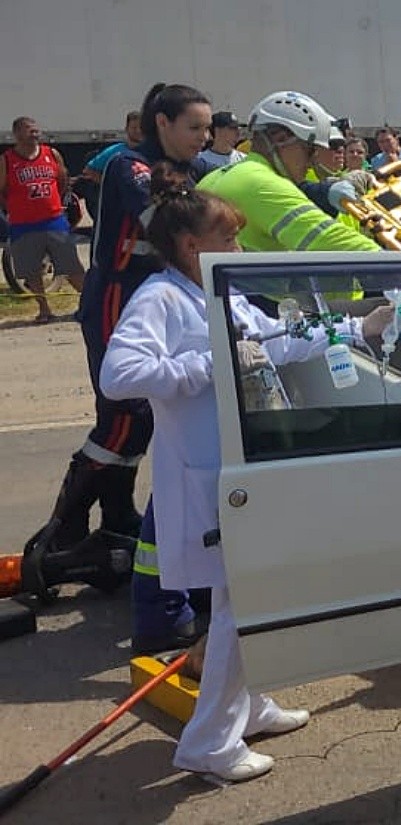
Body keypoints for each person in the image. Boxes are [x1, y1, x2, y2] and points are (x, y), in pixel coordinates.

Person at [101, 176, 393, 782]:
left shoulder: (220, 294)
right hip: (208, 477)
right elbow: (120, 374)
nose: (236, 248)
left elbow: (274, 342)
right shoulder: (161, 298)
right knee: (241, 602)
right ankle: (209, 742)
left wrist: (356, 329)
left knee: (254, 598)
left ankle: (250, 705)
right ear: (188, 244)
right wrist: (210, 366)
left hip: (242, 467)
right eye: (226, 237)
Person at [19, 84, 212, 650]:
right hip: (117, 298)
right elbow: (169, 224)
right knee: (123, 417)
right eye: (194, 128)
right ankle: (61, 535)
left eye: (206, 129)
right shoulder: (132, 167)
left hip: (156, 298)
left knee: (144, 422)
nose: (202, 139)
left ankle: (118, 516)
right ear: (162, 122)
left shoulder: (184, 168)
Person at [199, 92, 381, 255]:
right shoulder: (262, 183)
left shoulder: (223, 175)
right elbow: (326, 238)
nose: (312, 162)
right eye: (310, 150)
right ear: (281, 139)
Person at [2, 117, 87, 322]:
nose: (35, 133)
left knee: (71, 266)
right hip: (23, 224)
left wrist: (57, 201)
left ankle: (88, 304)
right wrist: (11, 208)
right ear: (16, 134)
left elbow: (62, 179)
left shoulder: (51, 154)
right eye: (29, 130)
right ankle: (44, 310)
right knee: (32, 272)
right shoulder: (7, 160)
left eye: (36, 130)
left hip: (54, 220)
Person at [80, 110, 146, 190]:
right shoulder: (115, 151)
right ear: (126, 129)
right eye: (134, 128)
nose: (138, 131)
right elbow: (89, 170)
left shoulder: (151, 151)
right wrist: (110, 184)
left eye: (141, 128)